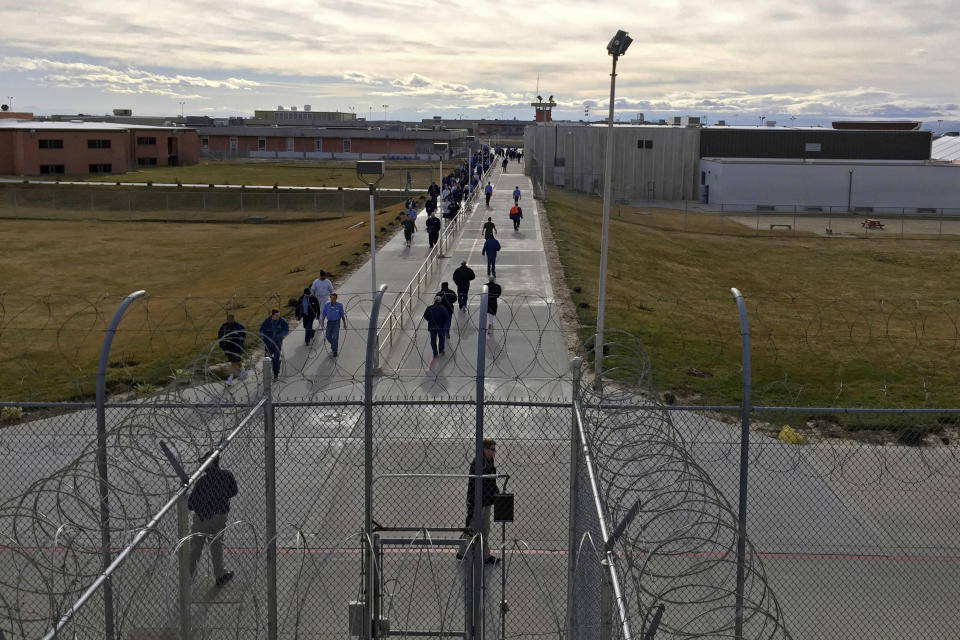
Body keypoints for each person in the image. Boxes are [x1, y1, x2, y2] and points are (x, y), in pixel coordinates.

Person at [188, 451, 239, 586]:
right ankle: (220, 574)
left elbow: (191, 504)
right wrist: (221, 498)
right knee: (216, 546)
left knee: (195, 548)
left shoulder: (202, 481)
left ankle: (189, 576)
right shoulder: (227, 475)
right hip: (220, 517)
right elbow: (234, 491)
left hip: (202, 518)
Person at [457, 438, 500, 564]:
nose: (494, 452)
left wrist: (496, 493)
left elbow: (491, 483)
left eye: (494, 449)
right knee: (473, 528)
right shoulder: (479, 463)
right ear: (485, 449)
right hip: (477, 502)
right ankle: (461, 552)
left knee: (485, 529)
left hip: (486, 501)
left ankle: (485, 555)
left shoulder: (489, 463)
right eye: (492, 449)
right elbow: (482, 484)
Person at [259, 309, 289, 381]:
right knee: (267, 359)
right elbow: (261, 330)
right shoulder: (267, 321)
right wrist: (267, 335)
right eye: (276, 315)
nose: (278, 317)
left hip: (277, 343)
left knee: (276, 357)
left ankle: (276, 374)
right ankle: (272, 368)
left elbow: (286, 329)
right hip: (268, 343)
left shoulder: (282, 321)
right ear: (272, 315)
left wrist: (280, 335)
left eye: (279, 315)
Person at [217, 313, 247, 385]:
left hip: (237, 347)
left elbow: (243, 334)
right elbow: (220, 336)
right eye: (228, 319)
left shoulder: (238, 326)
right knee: (237, 361)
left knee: (233, 363)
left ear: (233, 319)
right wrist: (222, 345)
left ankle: (230, 379)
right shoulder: (224, 326)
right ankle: (243, 371)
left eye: (230, 319)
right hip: (228, 348)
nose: (229, 320)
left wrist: (240, 343)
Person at [320, 292, 348, 357]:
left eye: (334, 298)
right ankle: (333, 344)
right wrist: (322, 323)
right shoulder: (327, 305)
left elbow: (342, 315)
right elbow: (324, 314)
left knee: (335, 337)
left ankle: (335, 351)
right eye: (331, 298)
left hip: (336, 323)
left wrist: (344, 324)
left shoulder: (339, 305)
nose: (332, 299)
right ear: (330, 298)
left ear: (336, 298)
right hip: (329, 322)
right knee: (328, 336)